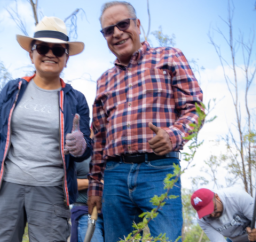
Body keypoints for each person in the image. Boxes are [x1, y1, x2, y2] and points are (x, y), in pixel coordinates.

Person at [0, 16, 92, 242]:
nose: (50, 53)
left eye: (58, 50)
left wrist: (81, 146)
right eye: (43, 47)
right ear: (31, 54)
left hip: (52, 192)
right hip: (7, 188)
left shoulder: (76, 100)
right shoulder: (12, 90)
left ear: (66, 58)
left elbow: (86, 150)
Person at [87, 1, 203, 242]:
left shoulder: (169, 57)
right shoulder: (103, 81)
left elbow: (195, 109)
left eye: (123, 24)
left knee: (167, 239)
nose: (117, 33)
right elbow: (98, 139)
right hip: (114, 177)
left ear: (137, 24)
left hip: (158, 171)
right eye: (109, 30)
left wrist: (172, 136)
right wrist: (96, 186)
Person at [70, 129, 104, 242]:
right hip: (86, 212)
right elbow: (67, 184)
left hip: (112, 214)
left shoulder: (112, 153)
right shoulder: (79, 155)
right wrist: (97, 183)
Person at [191, 188, 256, 242]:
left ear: (217, 197)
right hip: (234, 240)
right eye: (207, 214)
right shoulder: (202, 219)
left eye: (213, 209)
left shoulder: (238, 197)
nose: (212, 214)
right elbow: (218, 240)